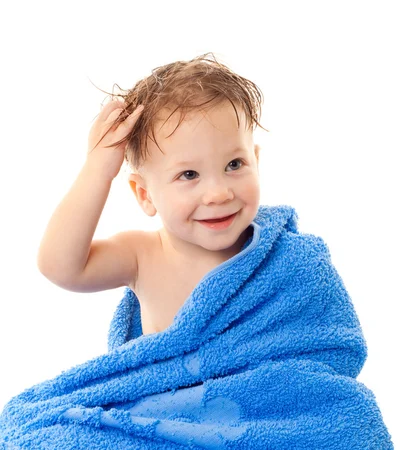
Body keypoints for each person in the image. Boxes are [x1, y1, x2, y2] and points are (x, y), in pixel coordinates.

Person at [36, 53, 266, 336]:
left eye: (234, 164)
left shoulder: (282, 257)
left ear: (255, 161)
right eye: (189, 175)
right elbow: (59, 267)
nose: (218, 194)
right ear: (145, 194)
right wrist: (98, 171)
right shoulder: (142, 257)